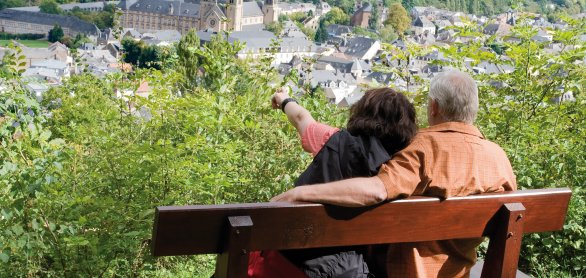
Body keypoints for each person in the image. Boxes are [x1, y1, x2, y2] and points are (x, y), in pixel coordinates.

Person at [271, 70, 517, 277]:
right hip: (459, 271)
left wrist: (301, 192)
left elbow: (378, 189)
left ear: (433, 107)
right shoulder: (499, 158)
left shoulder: (422, 149)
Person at [251, 87, 417, 278]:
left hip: (293, 262)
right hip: (348, 267)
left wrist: (284, 99)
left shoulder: (331, 140)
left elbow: (300, 118)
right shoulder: (398, 169)